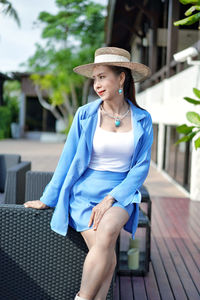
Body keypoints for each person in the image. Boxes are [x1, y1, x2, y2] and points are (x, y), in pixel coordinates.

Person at [24, 46, 153, 300]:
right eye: (95, 78)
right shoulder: (85, 114)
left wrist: (111, 198)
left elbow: (141, 166)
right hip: (83, 194)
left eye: (103, 76)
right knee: (109, 259)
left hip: (120, 194)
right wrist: (48, 198)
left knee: (107, 231)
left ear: (122, 78)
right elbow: (68, 158)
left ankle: (81, 298)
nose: (97, 84)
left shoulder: (142, 119)